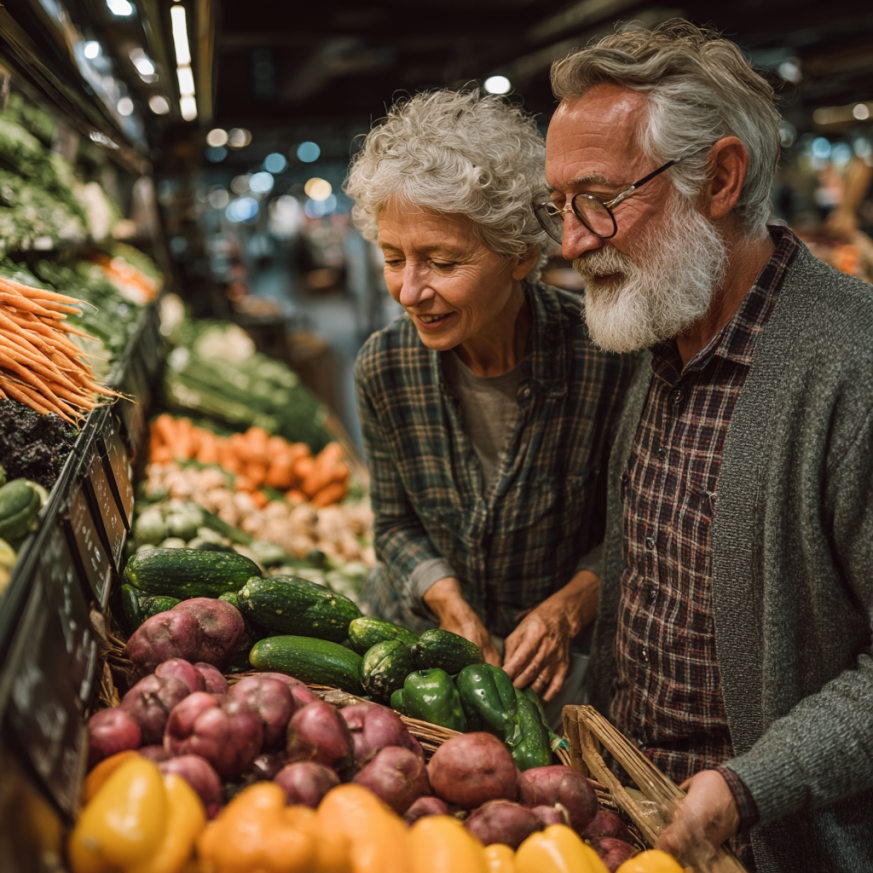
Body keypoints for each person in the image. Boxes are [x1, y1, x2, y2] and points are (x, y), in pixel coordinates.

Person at [542, 22, 873, 872]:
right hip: (632, 817)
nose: (573, 241)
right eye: (559, 206)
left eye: (598, 198)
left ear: (719, 178)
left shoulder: (850, 368)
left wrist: (748, 786)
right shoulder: (654, 332)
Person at [345, 90, 634, 718]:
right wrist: (444, 599)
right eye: (393, 259)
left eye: (442, 261)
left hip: (562, 673)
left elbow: (633, 530)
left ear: (521, 254)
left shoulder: (607, 359)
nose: (411, 291)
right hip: (423, 659)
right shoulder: (384, 368)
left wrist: (568, 607)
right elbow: (394, 526)